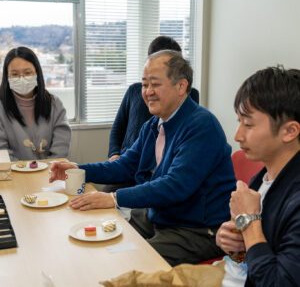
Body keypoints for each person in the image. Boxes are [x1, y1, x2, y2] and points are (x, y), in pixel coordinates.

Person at [50, 50, 236, 266]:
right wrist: (77, 170)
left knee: (128, 261)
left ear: (181, 86)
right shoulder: (154, 125)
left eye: (155, 84)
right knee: (97, 233)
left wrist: (114, 198)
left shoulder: (202, 125)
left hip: (198, 230)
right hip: (162, 216)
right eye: (144, 85)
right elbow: (124, 166)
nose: (147, 92)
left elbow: (175, 186)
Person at [216, 66, 300, 286]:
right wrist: (236, 248)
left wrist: (248, 221)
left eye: (249, 124)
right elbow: (256, 255)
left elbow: (279, 281)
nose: (237, 135)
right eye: (239, 122)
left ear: (290, 131)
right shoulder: (261, 180)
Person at [108, 36, 199, 163]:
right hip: (129, 161)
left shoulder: (193, 107)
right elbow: (118, 127)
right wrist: (114, 154)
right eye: (145, 85)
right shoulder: (136, 95)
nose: (149, 91)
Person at [0, 46, 71, 161]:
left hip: (51, 175)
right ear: (7, 77)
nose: (21, 78)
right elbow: (2, 153)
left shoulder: (55, 104)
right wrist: (24, 172)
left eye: (27, 73)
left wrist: (47, 172)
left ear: (37, 73)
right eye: (14, 74)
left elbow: (61, 149)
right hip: (13, 176)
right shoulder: (1, 107)